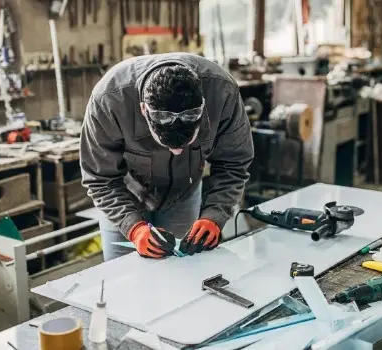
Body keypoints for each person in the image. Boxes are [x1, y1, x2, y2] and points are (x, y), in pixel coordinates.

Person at [80, 53, 254, 261]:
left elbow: (234, 164)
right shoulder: (108, 100)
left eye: (186, 144)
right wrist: (133, 227)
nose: (178, 152)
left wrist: (215, 214)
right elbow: (100, 179)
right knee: (122, 282)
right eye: (168, 145)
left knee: (180, 274)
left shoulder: (223, 93)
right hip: (124, 196)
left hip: (184, 193)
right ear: (144, 110)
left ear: (203, 105)